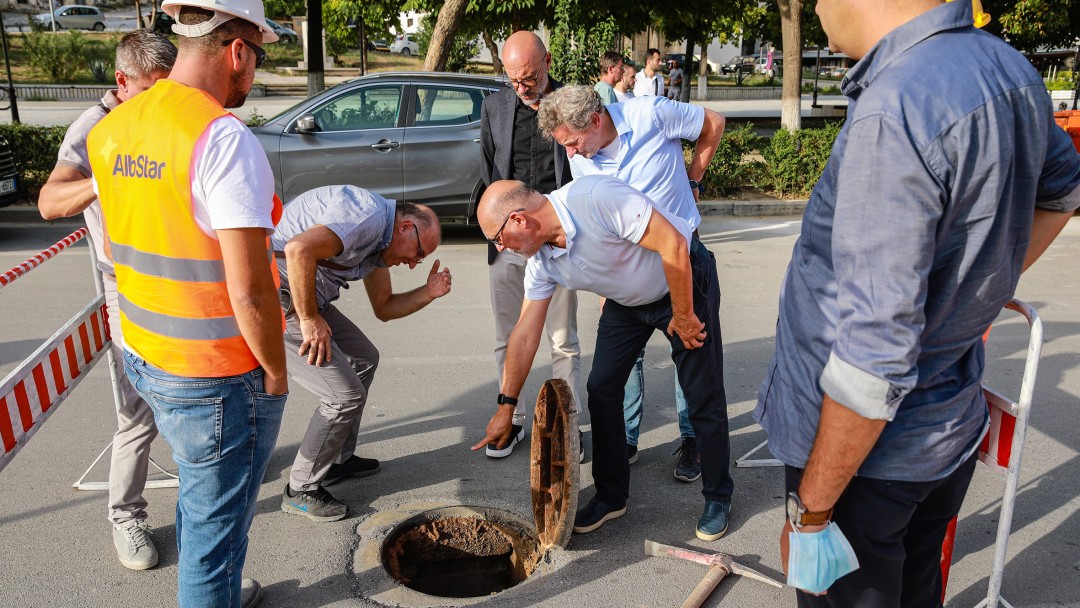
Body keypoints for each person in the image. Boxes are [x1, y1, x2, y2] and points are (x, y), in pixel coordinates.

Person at [756, 0, 1080, 604]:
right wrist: (976, 289)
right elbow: (1062, 194)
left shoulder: (896, 109)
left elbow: (872, 359)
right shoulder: (1008, 68)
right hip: (940, 435)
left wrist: (812, 514)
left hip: (867, 464)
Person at [87, 1, 288, 605]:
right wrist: (276, 373)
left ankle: (220, 592)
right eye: (257, 61)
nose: (253, 78)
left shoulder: (115, 126)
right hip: (218, 375)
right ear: (236, 51)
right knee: (213, 536)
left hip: (146, 352)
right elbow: (250, 288)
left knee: (207, 518)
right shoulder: (220, 138)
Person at [471, 175, 732, 540]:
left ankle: (718, 496)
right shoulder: (542, 262)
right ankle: (611, 496)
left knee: (700, 392)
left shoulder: (594, 197)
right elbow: (525, 334)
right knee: (602, 388)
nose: (500, 248)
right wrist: (505, 407)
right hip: (626, 305)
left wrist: (685, 314)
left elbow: (674, 243)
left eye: (497, 238)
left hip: (681, 279)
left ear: (518, 220)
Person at [537, 85, 728, 488]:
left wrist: (694, 179)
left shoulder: (650, 114)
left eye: (572, 142)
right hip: (627, 283)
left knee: (696, 378)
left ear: (595, 120)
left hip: (681, 262)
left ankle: (701, 458)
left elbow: (714, 123)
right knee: (605, 382)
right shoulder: (582, 159)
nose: (570, 153)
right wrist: (608, 291)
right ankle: (618, 467)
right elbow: (597, 227)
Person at [38, 29, 176, 573]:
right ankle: (125, 514)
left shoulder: (160, 115)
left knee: (198, 384)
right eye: (152, 89)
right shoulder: (94, 128)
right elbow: (50, 202)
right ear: (123, 82)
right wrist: (105, 178)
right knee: (138, 409)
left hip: (175, 275)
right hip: (126, 285)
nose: (163, 100)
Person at [275, 186, 450, 522]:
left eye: (421, 260)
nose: (414, 263)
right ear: (405, 227)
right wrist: (310, 320)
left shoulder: (377, 246)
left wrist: (428, 292)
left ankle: (339, 459)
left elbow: (384, 307)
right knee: (343, 396)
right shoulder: (366, 218)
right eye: (418, 252)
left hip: (308, 300)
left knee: (364, 357)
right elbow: (298, 250)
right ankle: (301, 489)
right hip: (277, 297)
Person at [479, 30, 580, 459]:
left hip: (558, 241)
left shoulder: (571, 102)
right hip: (509, 243)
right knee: (508, 336)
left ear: (548, 62)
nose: (522, 87)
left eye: (530, 78)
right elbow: (488, 172)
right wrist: (498, 234)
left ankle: (567, 428)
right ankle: (512, 421)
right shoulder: (495, 106)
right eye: (514, 79)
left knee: (563, 340)